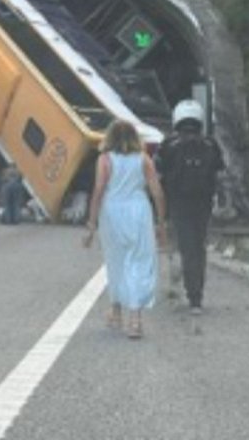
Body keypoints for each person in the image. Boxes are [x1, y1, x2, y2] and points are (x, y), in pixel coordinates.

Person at [83, 119, 167, 339]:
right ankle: (135, 320)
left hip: (112, 212)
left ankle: (116, 312)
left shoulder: (104, 159)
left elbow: (99, 189)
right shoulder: (143, 159)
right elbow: (157, 192)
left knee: (116, 261)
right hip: (139, 211)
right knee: (139, 262)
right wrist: (161, 221)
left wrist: (91, 223)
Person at [156, 99, 225, 316]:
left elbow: (157, 173)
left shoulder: (168, 145)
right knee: (199, 246)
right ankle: (198, 294)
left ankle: (192, 295)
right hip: (203, 202)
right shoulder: (211, 144)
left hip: (179, 202)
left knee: (186, 248)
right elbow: (220, 172)